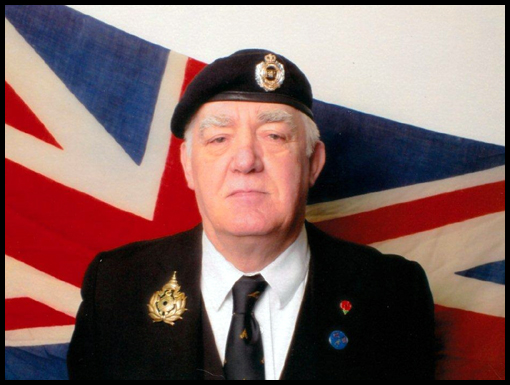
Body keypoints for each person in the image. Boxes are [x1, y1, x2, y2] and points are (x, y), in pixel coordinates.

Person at [67, 49, 435, 380]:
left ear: (313, 163)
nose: (245, 161)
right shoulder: (116, 287)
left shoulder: (393, 291)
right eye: (218, 139)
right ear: (188, 167)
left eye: (274, 136)